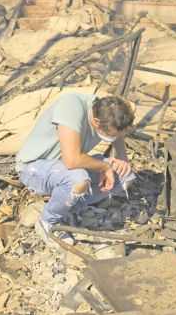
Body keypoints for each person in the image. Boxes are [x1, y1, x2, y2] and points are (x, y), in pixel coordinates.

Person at [15, 93, 137, 247]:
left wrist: (121, 160)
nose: (113, 139)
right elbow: (72, 160)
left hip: (67, 166)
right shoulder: (71, 106)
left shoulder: (108, 109)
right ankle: (48, 222)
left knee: (126, 177)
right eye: (110, 136)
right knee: (78, 179)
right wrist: (106, 166)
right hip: (34, 168)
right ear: (96, 122)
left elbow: (118, 133)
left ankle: (70, 209)